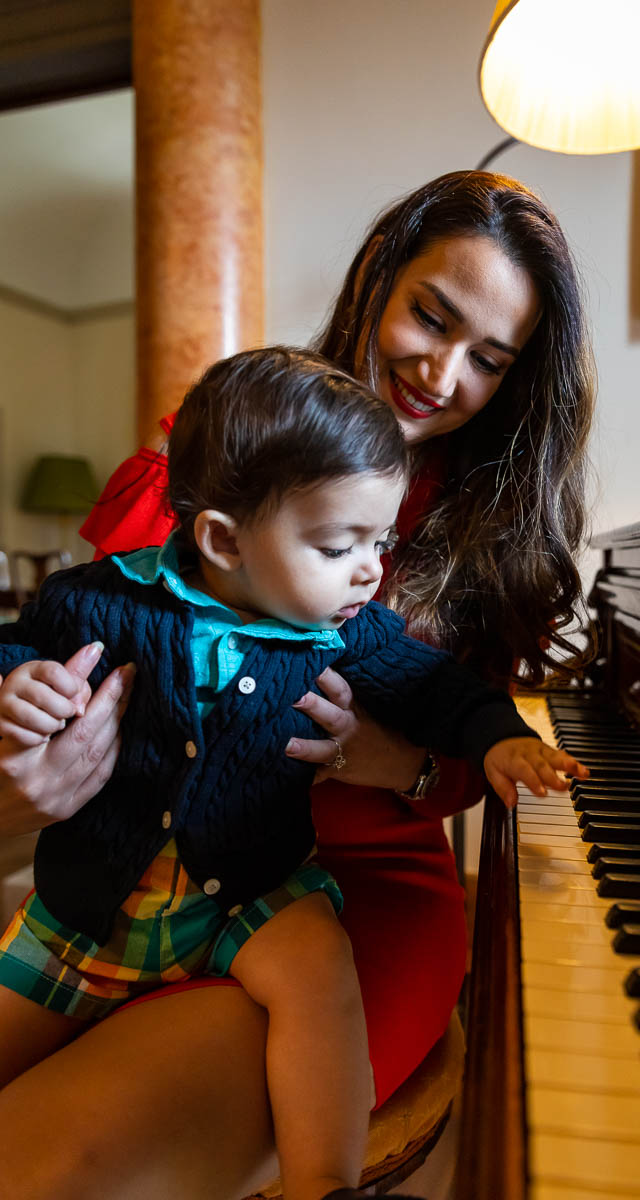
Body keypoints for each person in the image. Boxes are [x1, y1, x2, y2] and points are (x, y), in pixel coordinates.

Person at [0, 170, 595, 1199]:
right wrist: (28, 775)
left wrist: (397, 763)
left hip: (348, 904)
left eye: (487, 360)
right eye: (430, 315)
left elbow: (472, 750)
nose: (441, 372)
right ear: (376, 277)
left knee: (45, 1158)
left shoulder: (490, 534)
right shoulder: (218, 465)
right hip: (138, 871)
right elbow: (67, 685)